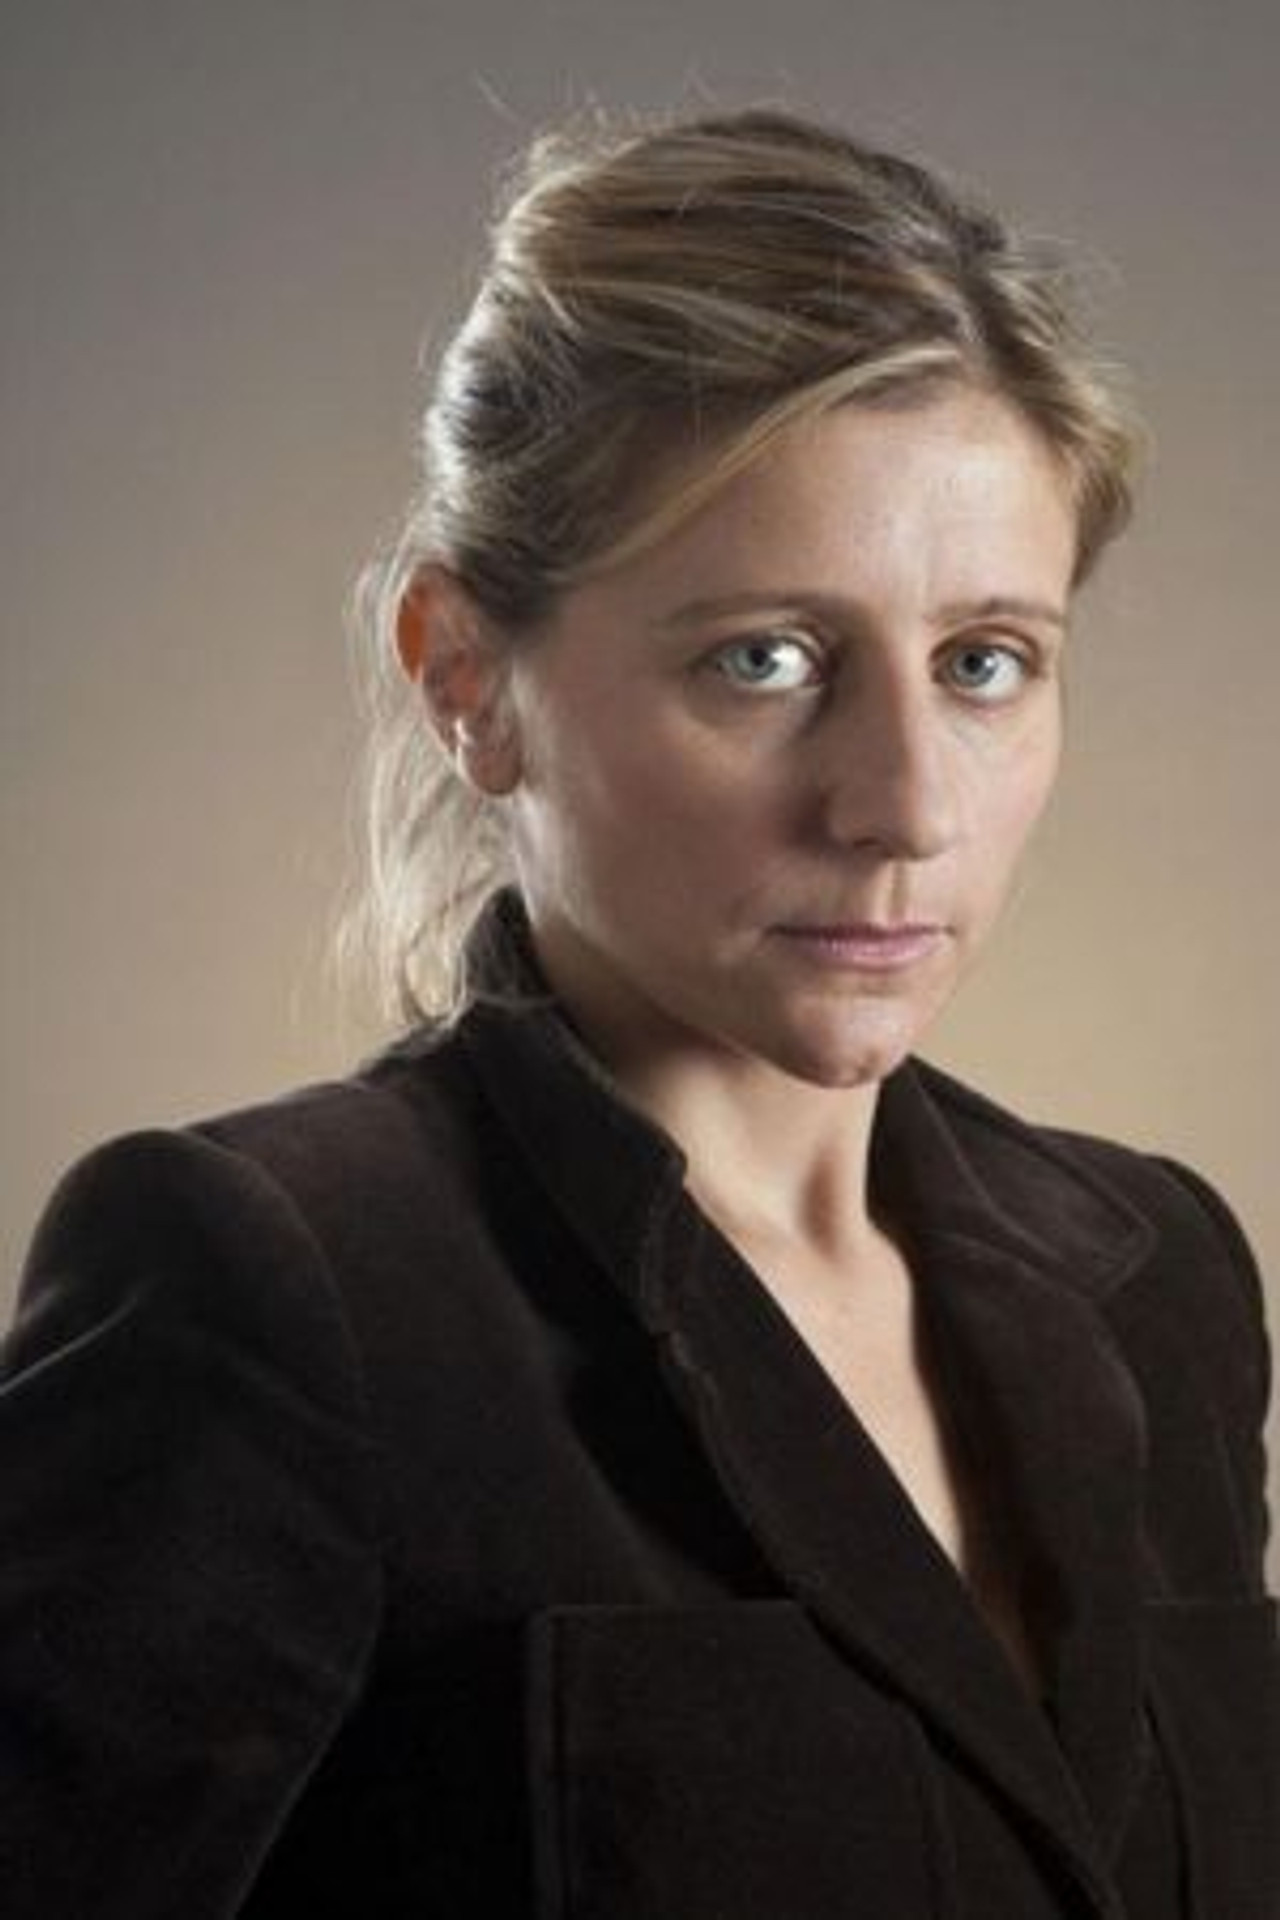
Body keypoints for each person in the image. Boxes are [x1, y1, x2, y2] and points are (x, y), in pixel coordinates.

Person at [2, 107, 1275, 1920]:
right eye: (766, 658)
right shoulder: (273, 1290)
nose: (904, 804)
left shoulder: (1163, 1279)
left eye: (985, 663)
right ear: (467, 679)